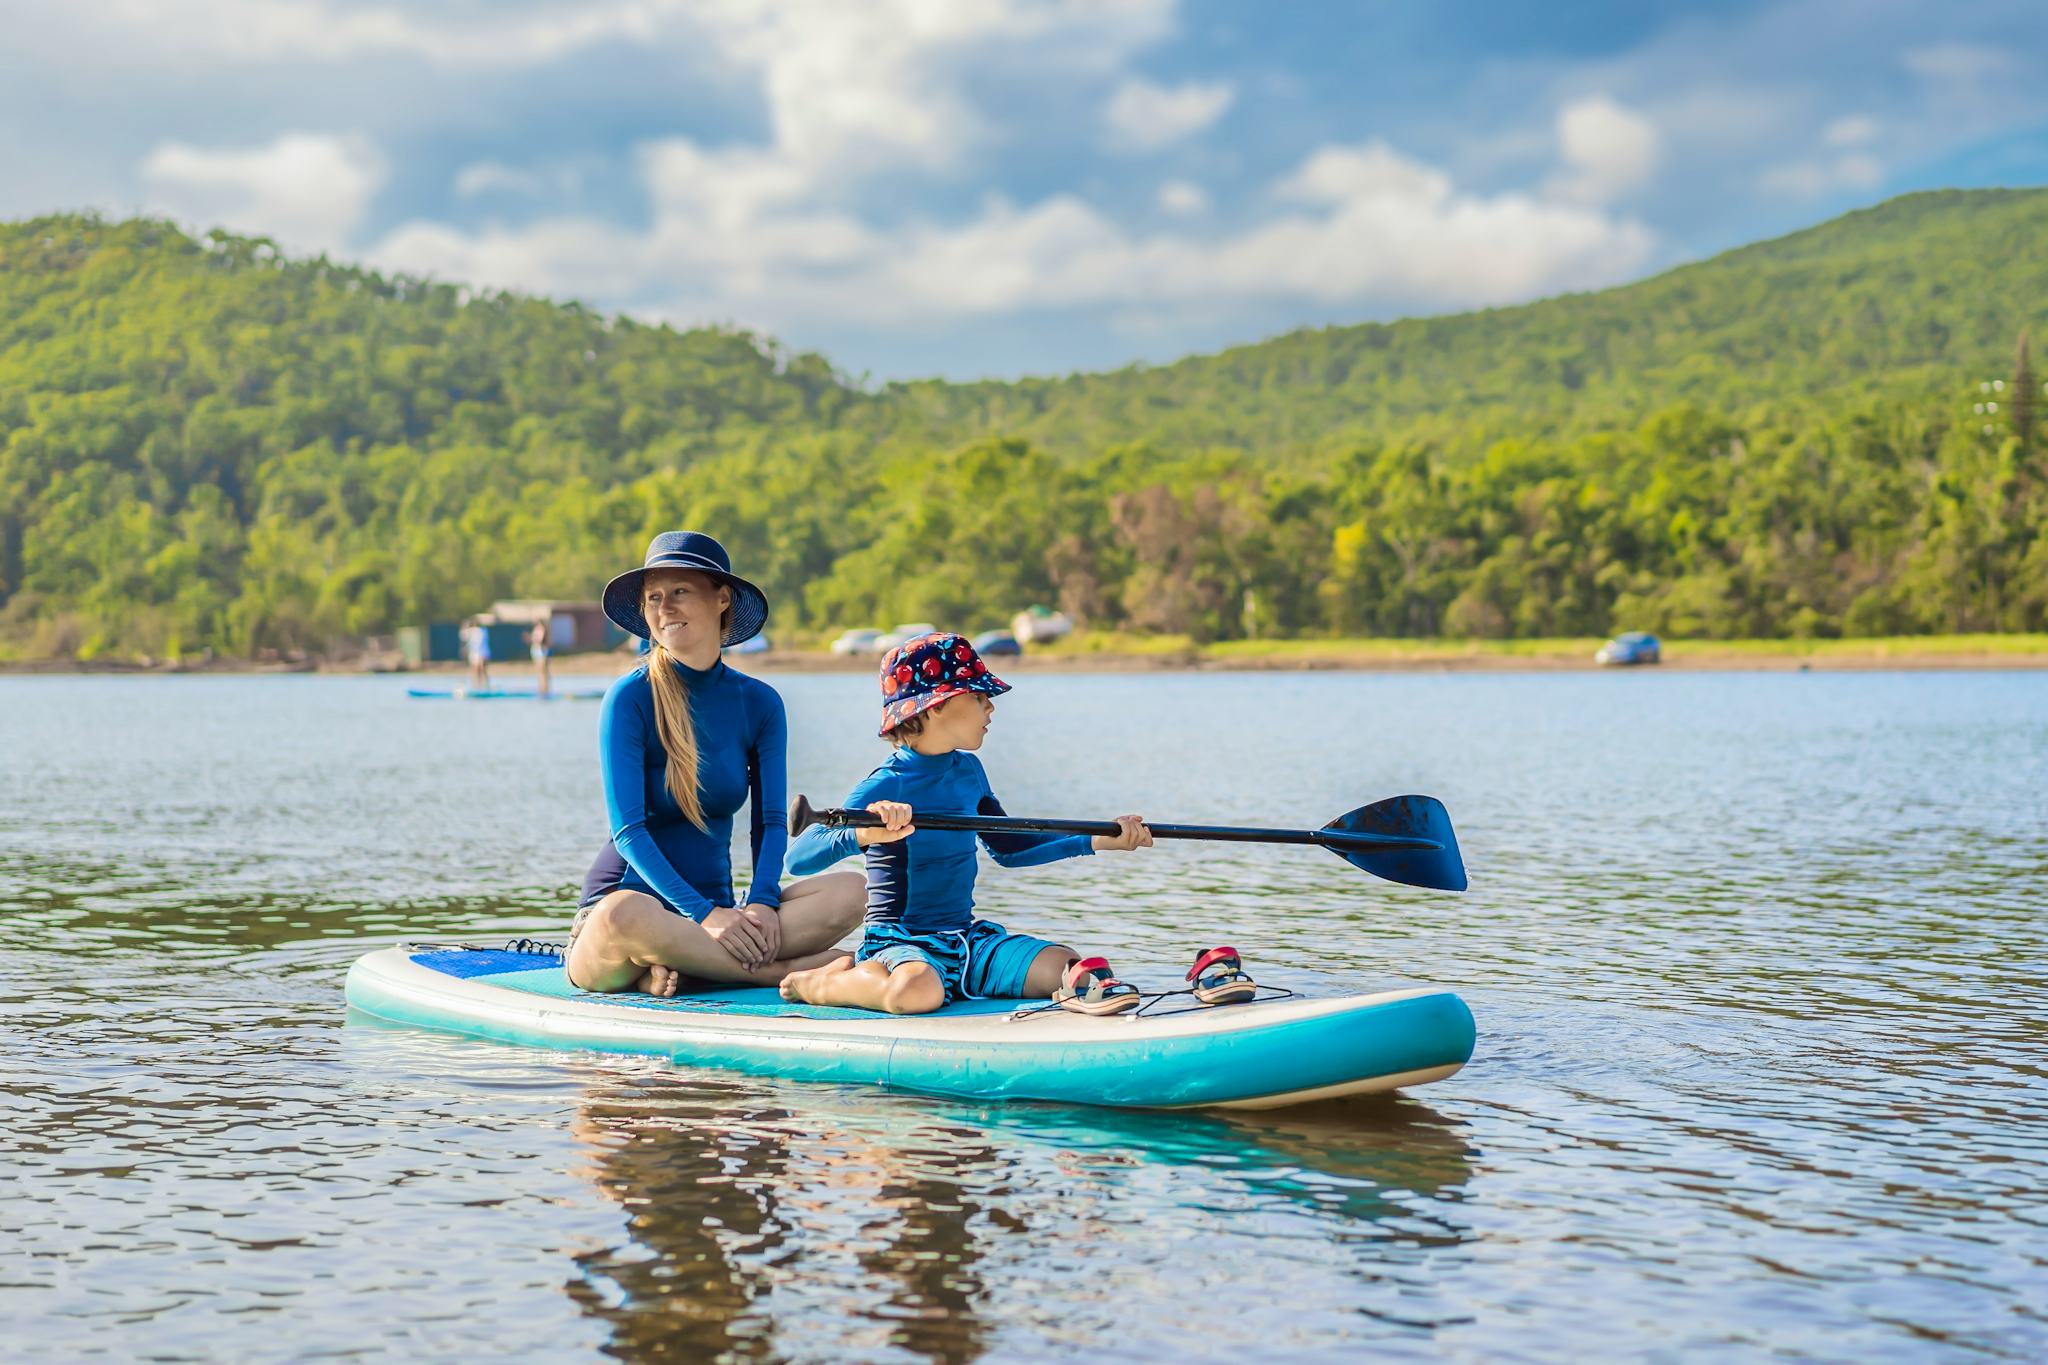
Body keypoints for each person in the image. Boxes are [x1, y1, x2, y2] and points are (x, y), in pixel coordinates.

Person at [779, 632, 1155, 1016]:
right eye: (977, 696)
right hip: (898, 945)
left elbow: (1010, 849)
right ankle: (820, 982)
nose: (990, 706)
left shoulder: (969, 771)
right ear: (935, 707)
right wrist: (865, 833)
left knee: (1064, 965)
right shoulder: (887, 782)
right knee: (918, 992)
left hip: (965, 940)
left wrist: (1096, 840)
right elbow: (799, 858)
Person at [566, 531, 864, 995]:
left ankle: (683, 970)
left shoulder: (759, 703)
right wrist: (702, 915)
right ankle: (775, 973)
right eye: (654, 598)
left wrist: (762, 903)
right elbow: (628, 833)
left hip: (724, 917)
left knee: (851, 892)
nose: (665, 609)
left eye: (680, 592)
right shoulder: (629, 697)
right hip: (623, 925)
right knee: (623, 913)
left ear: (721, 598)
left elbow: (768, 822)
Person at [464, 618, 492, 692]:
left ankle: (483, 685)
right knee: (477, 669)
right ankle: (477, 685)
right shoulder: (475, 631)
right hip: (476, 653)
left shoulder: (481, 631)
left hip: (481, 653)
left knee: (481, 669)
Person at [528, 618, 553, 698]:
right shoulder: (537, 630)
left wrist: (533, 639)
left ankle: (545, 689)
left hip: (542, 652)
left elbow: (540, 641)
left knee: (543, 672)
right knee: (539, 671)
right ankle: (541, 688)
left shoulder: (542, 630)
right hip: (537, 652)